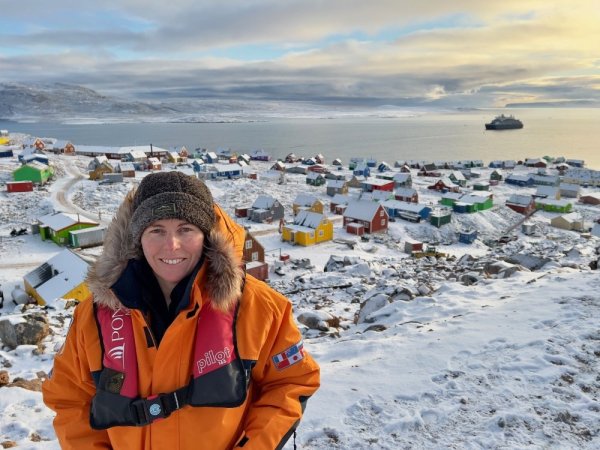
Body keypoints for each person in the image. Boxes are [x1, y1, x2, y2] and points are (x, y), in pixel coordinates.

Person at [43, 171, 320, 449]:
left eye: (186, 229)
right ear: (138, 237)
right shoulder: (93, 316)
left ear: (207, 235)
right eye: (156, 230)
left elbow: (290, 383)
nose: (171, 245)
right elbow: (71, 399)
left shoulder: (259, 307)